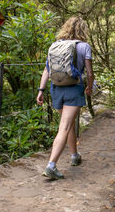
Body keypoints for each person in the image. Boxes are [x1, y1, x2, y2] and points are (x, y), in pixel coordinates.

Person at [36, 17, 94, 180]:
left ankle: (74, 155)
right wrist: (89, 86)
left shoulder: (55, 45)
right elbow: (89, 72)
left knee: (66, 124)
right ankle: (51, 165)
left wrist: (41, 90)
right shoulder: (84, 46)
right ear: (83, 30)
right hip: (73, 89)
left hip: (56, 89)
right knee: (65, 126)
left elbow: (47, 70)